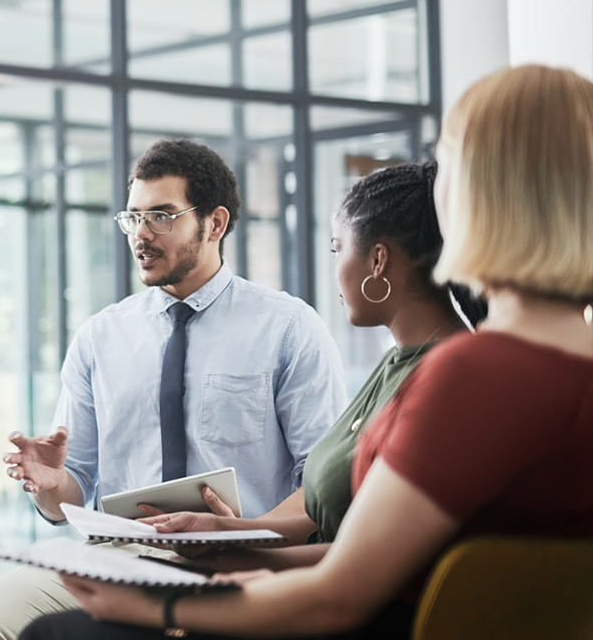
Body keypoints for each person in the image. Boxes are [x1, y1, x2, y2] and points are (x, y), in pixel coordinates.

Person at [4, 63, 593, 640]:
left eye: (448, 167)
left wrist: (159, 600)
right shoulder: (562, 370)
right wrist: (228, 559)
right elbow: (398, 563)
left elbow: (344, 593)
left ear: (483, 193)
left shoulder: (477, 374)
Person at [0, 138, 348, 640]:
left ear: (215, 223)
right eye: (134, 216)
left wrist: (241, 535)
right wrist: (53, 487)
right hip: (119, 553)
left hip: (237, 555)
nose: (140, 233)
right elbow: (72, 492)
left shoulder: (288, 327)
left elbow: (320, 485)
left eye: (162, 215)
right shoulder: (101, 336)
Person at [139, 161, 476, 552]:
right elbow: (333, 522)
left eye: (338, 249)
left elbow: (366, 561)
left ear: (378, 260)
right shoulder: (396, 364)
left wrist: (242, 558)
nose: (335, 270)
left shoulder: (446, 379)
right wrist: (236, 533)